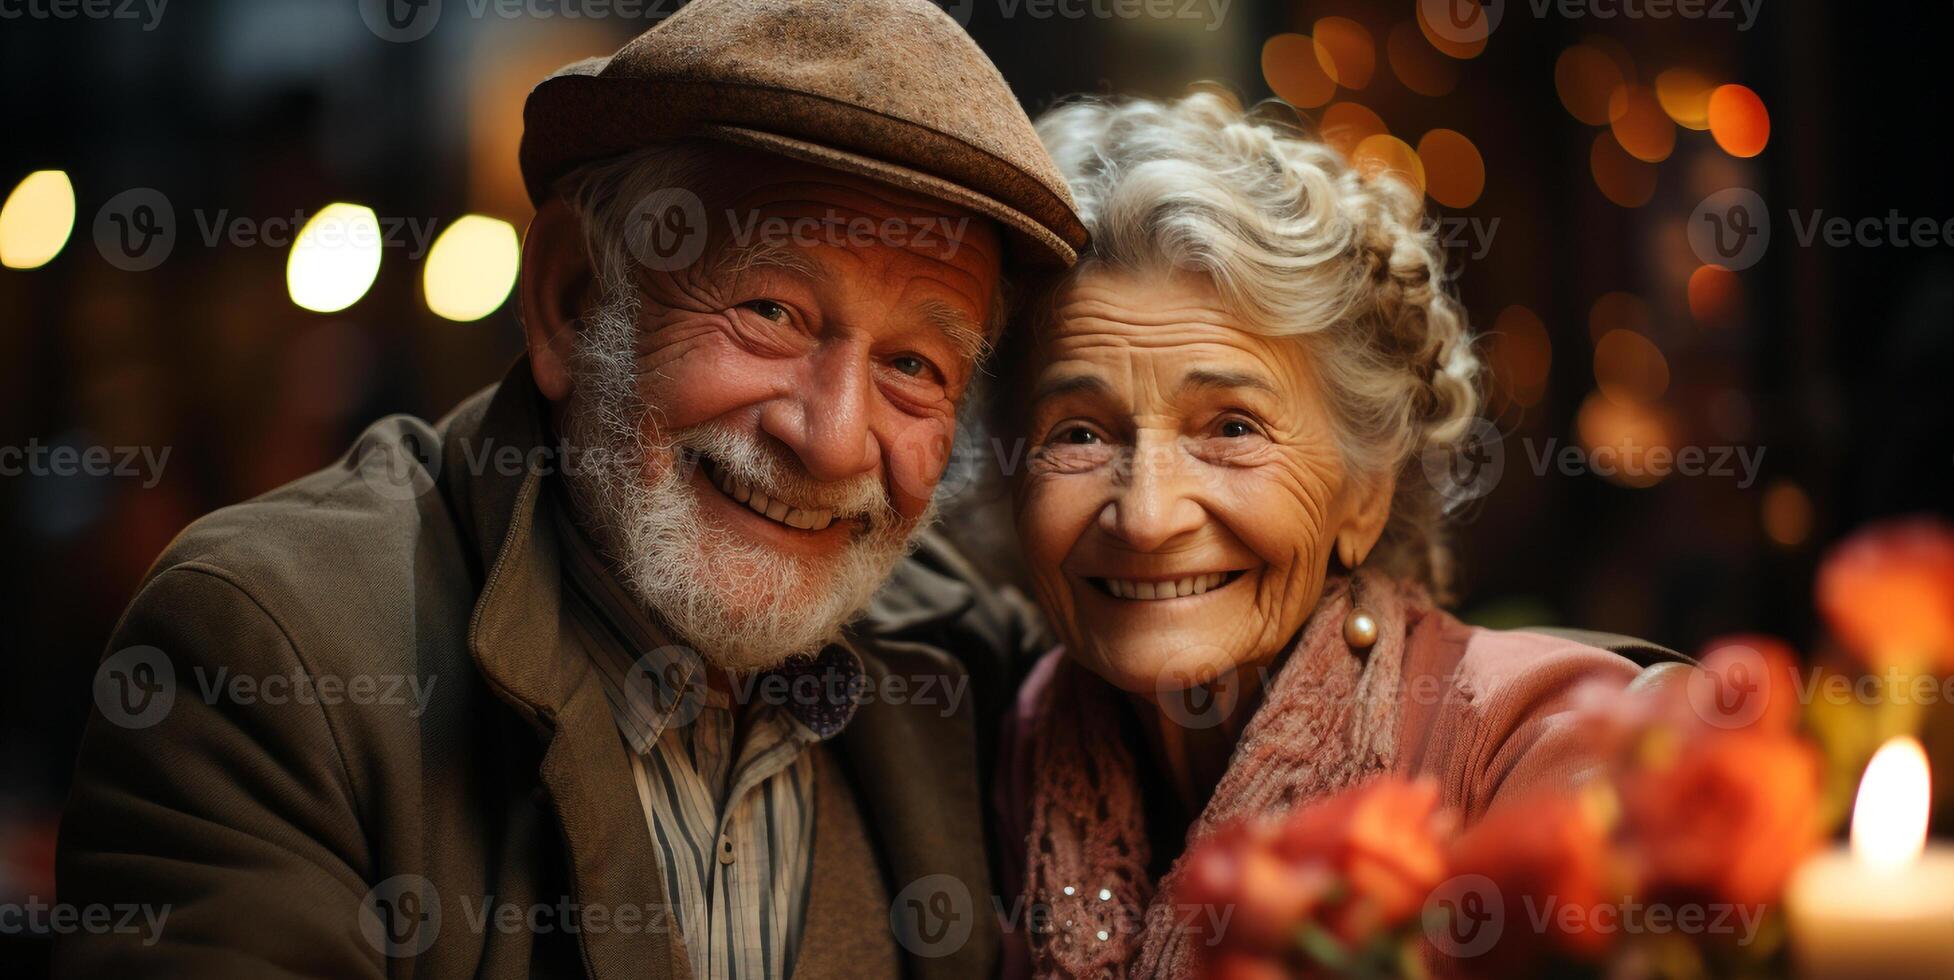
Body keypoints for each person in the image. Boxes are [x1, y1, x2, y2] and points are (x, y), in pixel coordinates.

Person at [56, 2, 1086, 977]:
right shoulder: (276, 652)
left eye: (915, 366)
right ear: (571, 300)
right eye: (769, 308)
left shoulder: (980, 675)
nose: (829, 440)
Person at [988, 91, 1687, 978]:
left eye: (1232, 428)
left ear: (1365, 491)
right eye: (1079, 434)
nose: (1148, 516)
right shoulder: (1026, 744)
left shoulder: (1552, 747)